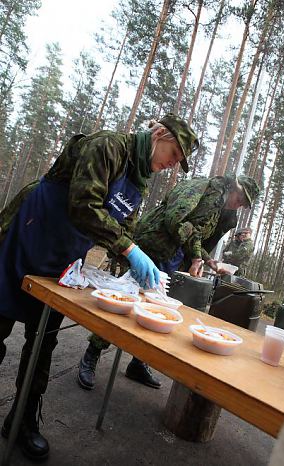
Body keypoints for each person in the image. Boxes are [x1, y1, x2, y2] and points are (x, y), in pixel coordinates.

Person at [0, 112, 198, 461]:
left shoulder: (138, 183)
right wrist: (130, 250)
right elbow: (83, 205)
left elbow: (123, 231)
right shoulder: (109, 146)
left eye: (179, 161)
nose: (172, 164)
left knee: (43, 338)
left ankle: (23, 420)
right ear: (160, 133)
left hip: (62, 260)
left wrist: (136, 271)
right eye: (174, 153)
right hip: (28, 233)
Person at [78, 174, 260, 391]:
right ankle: (92, 354)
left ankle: (138, 362)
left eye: (244, 204)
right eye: (240, 198)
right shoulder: (203, 188)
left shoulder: (221, 208)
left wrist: (207, 260)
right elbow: (175, 220)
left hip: (170, 256)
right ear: (234, 188)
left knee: (158, 310)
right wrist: (195, 255)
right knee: (125, 302)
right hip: (150, 247)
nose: (239, 205)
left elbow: (195, 235)